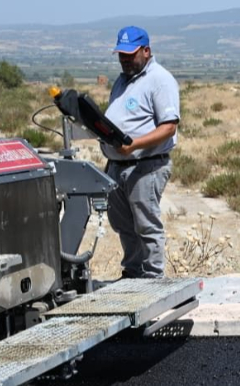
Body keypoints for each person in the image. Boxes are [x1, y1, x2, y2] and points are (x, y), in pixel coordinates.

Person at [103, 26, 180, 280]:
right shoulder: (122, 80)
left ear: (146, 51)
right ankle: (133, 274)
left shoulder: (160, 79)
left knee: (146, 225)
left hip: (146, 165)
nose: (124, 59)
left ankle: (153, 278)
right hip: (118, 166)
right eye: (121, 55)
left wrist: (133, 145)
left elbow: (169, 127)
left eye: (130, 54)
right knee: (123, 225)